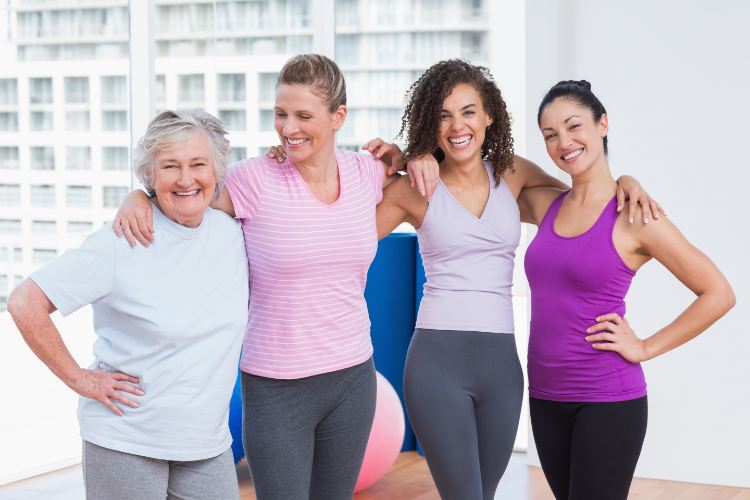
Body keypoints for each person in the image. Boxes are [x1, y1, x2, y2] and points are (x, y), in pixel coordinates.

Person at [266, 60, 660, 500]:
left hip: (503, 369)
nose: (458, 126)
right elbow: (337, 231)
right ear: (429, 123)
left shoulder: (513, 173)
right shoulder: (414, 188)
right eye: (443, 114)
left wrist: (626, 178)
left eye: (468, 111)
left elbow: (584, 196)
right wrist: (309, 163)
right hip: (437, 364)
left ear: (489, 115)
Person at [111, 54, 439, 500]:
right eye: (280, 114)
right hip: (275, 387)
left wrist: (411, 152)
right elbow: (187, 191)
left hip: (353, 379)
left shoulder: (367, 172)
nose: (288, 128)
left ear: (338, 117)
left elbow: (417, 164)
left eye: (304, 115)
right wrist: (139, 194)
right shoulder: (255, 179)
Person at [7, 109, 249, 500]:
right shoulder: (122, 240)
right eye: (170, 166)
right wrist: (80, 379)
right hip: (127, 440)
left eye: (198, 164)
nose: (186, 179)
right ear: (149, 176)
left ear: (218, 171)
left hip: (208, 444)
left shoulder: (235, 232)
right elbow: (24, 302)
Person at [519, 80, 736, 500]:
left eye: (573, 125)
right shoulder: (547, 204)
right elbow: (501, 167)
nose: (563, 141)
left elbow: (718, 293)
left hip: (607, 398)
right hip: (545, 394)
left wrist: (644, 347)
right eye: (549, 134)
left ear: (603, 124)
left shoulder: (635, 216)